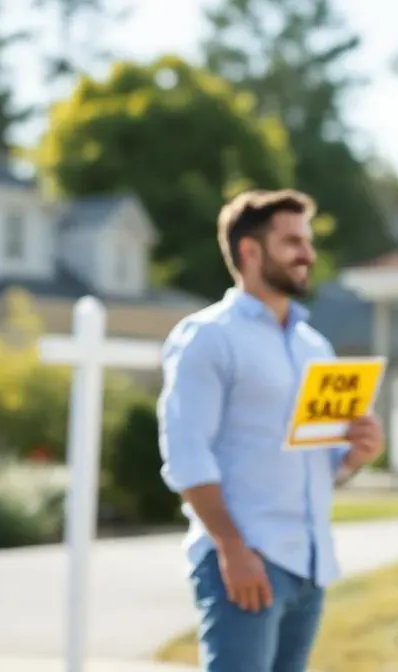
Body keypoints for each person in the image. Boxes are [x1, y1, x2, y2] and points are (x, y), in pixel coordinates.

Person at [156, 189, 385, 672]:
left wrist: (354, 455)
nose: (308, 254)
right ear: (249, 251)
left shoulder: (314, 346)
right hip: (246, 561)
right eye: (292, 242)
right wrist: (233, 551)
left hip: (308, 567)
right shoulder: (208, 336)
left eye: (307, 241)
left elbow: (320, 466)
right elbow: (186, 456)